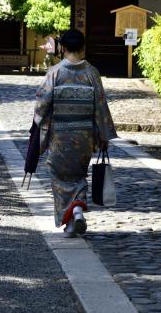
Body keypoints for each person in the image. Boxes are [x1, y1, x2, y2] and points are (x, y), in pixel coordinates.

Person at [33, 28, 117, 238]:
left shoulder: (55, 72)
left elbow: (42, 105)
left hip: (59, 136)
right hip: (84, 135)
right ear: (82, 47)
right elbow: (100, 106)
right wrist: (103, 135)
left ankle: (71, 219)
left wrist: (39, 125)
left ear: (62, 48)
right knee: (79, 174)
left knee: (58, 174)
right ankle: (77, 210)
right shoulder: (92, 73)